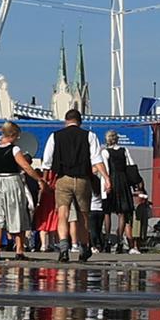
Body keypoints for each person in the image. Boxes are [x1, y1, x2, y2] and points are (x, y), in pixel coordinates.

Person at [42, 107, 98, 261]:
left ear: (66, 121)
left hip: (63, 179)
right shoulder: (90, 136)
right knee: (83, 216)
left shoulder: (55, 136)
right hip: (82, 179)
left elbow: (46, 162)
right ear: (80, 122)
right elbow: (96, 159)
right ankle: (84, 248)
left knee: (63, 214)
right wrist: (106, 178)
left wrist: (45, 182)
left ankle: (64, 248)